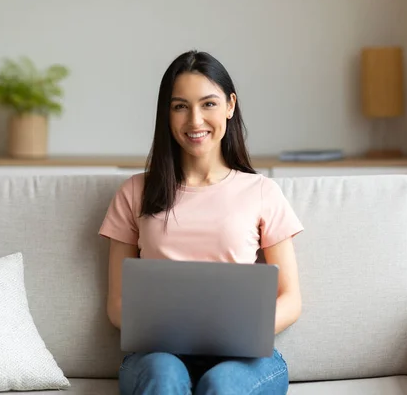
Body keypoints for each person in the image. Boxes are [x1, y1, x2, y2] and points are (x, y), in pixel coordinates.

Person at [98, 50, 304, 395]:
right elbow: (118, 304)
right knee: (163, 379)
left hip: (243, 358)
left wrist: (240, 333)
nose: (195, 121)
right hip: (158, 356)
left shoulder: (262, 192)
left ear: (230, 106)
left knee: (221, 385)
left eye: (208, 104)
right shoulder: (135, 192)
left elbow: (290, 298)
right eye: (180, 106)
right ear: (167, 113)